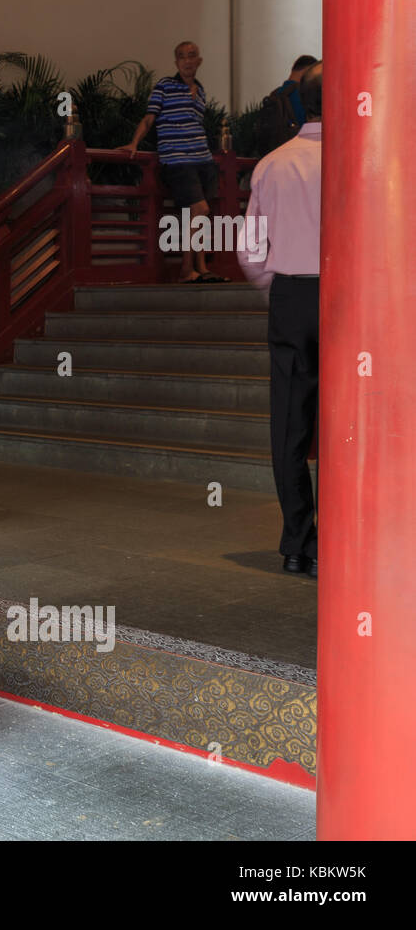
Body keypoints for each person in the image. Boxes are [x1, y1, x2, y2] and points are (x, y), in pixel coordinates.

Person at [239, 62, 323, 577]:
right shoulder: (362, 158)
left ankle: (297, 543)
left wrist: (281, 284)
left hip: (292, 299)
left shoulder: (272, 164)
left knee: (291, 422)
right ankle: (343, 536)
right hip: (349, 300)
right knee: (346, 424)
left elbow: (250, 250)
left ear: (299, 103)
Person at [119, 41, 228, 283]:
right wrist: (134, 142)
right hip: (177, 159)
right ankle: (186, 268)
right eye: (181, 57)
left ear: (199, 60)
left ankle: (200, 268)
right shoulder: (164, 86)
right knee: (201, 210)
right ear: (176, 62)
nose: (187, 61)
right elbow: (149, 119)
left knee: (198, 215)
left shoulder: (200, 91)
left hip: (203, 159)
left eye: (191, 56)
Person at [255, 54, 319, 158]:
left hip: (273, 157)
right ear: (308, 73)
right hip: (299, 156)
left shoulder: (275, 95)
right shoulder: (303, 95)